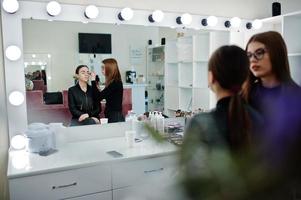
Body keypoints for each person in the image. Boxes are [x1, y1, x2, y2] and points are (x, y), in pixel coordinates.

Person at [180, 45, 263, 200]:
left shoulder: (200, 124)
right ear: (245, 78)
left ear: (211, 77)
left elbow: (192, 184)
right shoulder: (260, 120)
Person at [243, 31, 301, 198]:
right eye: (249, 55)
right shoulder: (244, 97)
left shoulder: (296, 97)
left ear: (277, 53)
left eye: (259, 53)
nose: (253, 59)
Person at [91, 58, 124, 123]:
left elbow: (98, 97)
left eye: (103, 68)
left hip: (115, 116)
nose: (102, 70)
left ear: (110, 69)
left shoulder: (115, 83)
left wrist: (93, 81)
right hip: (113, 115)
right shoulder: (114, 82)